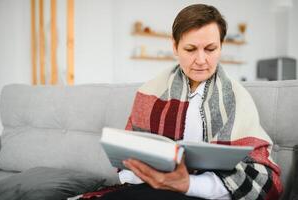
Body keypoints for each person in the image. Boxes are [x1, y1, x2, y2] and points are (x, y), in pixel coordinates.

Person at [100, 4, 283, 200]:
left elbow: (262, 177)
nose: (201, 59)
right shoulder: (149, 92)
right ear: (175, 47)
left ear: (221, 47)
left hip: (203, 194)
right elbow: (127, 162)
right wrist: (151, 175)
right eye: (190, 49)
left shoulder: (239, 98)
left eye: (211, 49)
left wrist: (188, 185)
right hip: (148, 188)